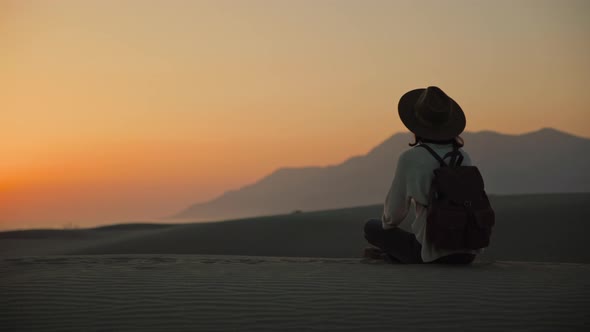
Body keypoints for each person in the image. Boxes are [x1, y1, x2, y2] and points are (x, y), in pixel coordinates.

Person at [363, 86, 481, 264]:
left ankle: (396, 256)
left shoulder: (411, 158)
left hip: (431, 252)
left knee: (371, 227)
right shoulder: (463, 156)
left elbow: (393, 214)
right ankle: (394, 255)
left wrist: (388, 228)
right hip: (468, 252)